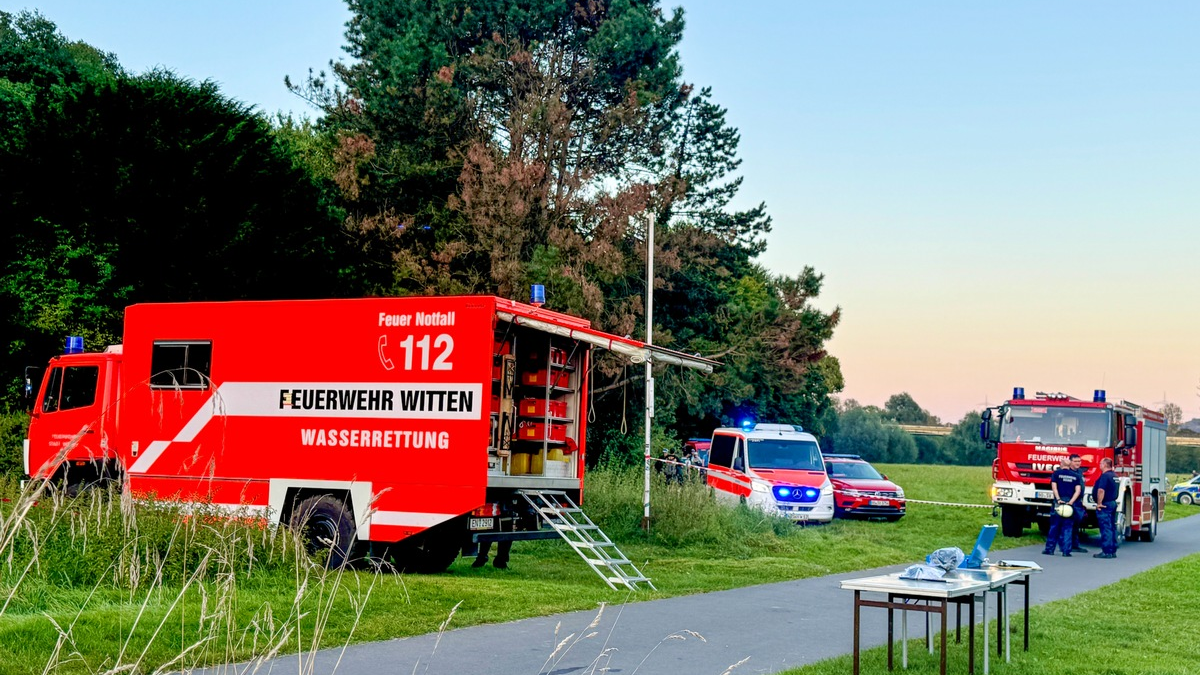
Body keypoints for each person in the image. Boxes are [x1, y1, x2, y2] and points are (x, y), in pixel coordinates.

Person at [1043, 457, 1082, 556]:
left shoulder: (1056, 474)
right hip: (1070, 504)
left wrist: (1059, 499)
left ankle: (1049, 549)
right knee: (1068, 528)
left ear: (1061, 464)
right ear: (1069, 465)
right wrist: (1071, 502)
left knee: (1054, 527)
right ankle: (1066, 551)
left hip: (1058, 503)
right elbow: (1078, 491)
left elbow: (1054, 488)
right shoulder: (1076, 476)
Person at [1093, 458, 1119, 559]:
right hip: (1112, 503)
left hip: (1105, 504)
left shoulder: (1105, 476)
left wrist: (1099, 503)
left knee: (1106, 528)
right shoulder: (1114, 476)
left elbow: (1101, 490)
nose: (1099, 465)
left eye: (1100, 463)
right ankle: (1112, 550)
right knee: (1112, 527)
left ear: (1104, 464)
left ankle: (1106, 551)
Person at [1068, 454, 1089, 553]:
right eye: (1075, 461)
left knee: (1076, 524)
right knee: (1068, 524)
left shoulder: (1080, 472)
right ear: (1070, 462)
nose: (1078, 463)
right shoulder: (1068, 473)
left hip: (1078, 502)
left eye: (1079, 461)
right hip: (1070, 501)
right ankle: (1067, 545)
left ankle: (1075, 545)